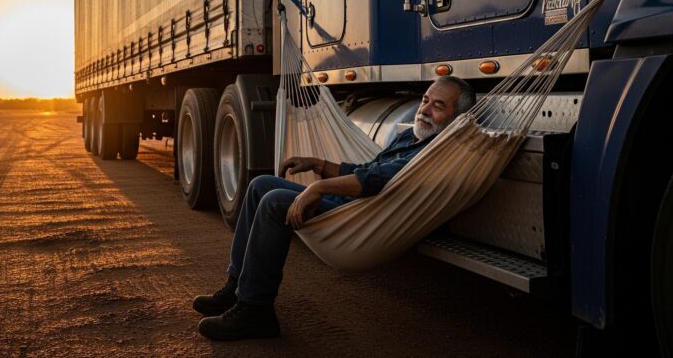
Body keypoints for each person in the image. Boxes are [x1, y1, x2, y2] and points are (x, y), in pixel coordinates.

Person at [193, 76, 476, 341]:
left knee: (275, 201)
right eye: (425, 99)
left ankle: (255, 310)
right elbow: (369, 168)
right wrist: (319, 164)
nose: (425, 109)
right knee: (260, 185)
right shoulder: (410, 137)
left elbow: (376, 179)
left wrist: (318, 187)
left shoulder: (432, 153)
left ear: (455, 118)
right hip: (349, 204)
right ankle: (236, 285)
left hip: (360, 218)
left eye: (438, 106)